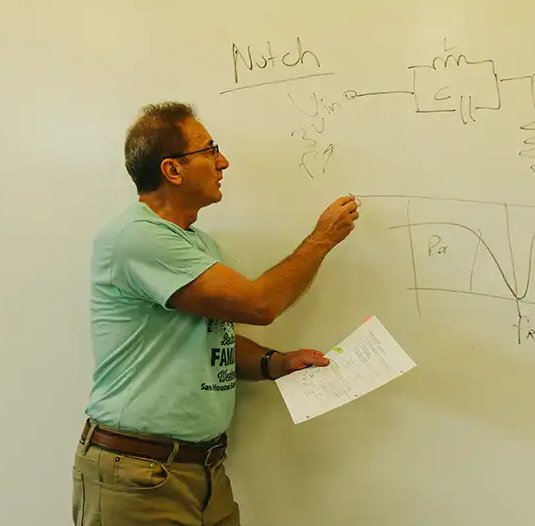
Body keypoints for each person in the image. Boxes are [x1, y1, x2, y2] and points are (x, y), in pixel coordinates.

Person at [71, 102, 359, 526]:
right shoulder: (138, 238)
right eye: (210, 150)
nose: (223, 162)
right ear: (173, 170)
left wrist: (275, 363)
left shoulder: (197, 245)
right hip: (138, 478)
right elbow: (260, 305)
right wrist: (321, 239)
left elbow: (210, 336)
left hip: (201, 472)